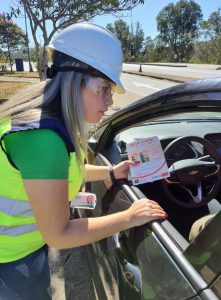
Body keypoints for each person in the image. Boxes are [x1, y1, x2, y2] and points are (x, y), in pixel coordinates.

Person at [0, 23, 167, 299]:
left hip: (22, 250)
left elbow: (59, 174)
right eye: (104, 89)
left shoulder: (44, 120)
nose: (110, 100)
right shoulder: (43, 139)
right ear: (73, 80)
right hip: (10, 263)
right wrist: (129, 217)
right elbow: (59, 235)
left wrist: (110, 173)